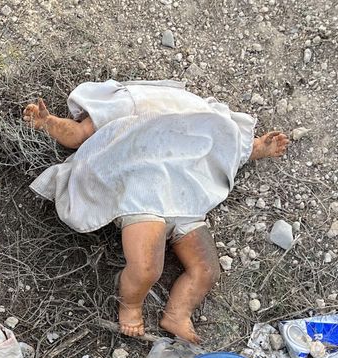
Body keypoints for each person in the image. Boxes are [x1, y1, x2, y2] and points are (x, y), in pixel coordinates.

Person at [23, 80, 289, 343]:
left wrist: (254, 149)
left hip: (185, 191)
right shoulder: (127, 102)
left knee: (206, 270)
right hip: (143, 189)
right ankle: (129, 304)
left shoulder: (191, 108)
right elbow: (79, 134)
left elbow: (219, 139)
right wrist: (49, 123)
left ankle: (177, 313)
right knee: (147, 268)